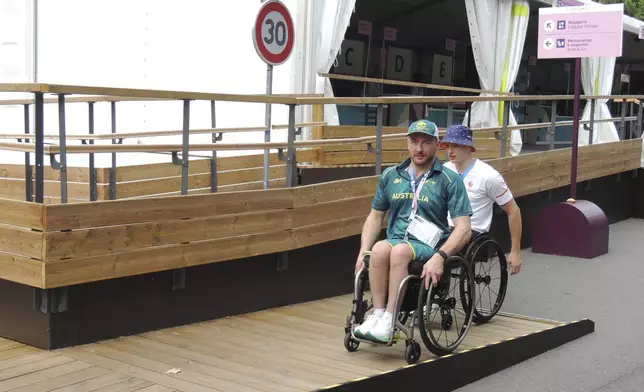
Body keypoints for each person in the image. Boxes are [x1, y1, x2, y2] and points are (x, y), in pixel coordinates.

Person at [353, 119, 473, 343]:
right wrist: (363, 250)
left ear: (437, 145)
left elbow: (464, 228)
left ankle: (390, 320)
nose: (419, 149)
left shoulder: (449, 179)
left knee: (399, 251)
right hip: (397, 239)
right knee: (378, 249)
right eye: (414, 142)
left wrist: (441, 256)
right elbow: (375, 217)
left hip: (428, 245)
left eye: (426, 142)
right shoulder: (392, 175)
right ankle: (377, 315)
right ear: (407, 144)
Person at [441, 124, 523, 275]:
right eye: (448, 146)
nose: (450, 151)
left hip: (473, 233)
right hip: (444, 228)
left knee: (435, 251)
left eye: (456, 146)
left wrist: (515, 251)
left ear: (468, 147)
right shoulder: (444, 170)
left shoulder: (488, 176)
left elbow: (513, 211)